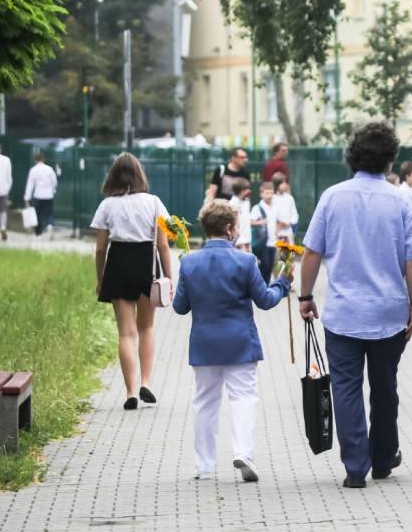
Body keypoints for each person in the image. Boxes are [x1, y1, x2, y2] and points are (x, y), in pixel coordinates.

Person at [298, 121, 412, 488]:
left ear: (352, 157)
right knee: (385, 387)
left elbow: (311, 252)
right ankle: (384, 457)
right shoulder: (401, 199)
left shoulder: (332, 197)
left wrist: (306, 296)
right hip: (390, 312)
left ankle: (356, 466)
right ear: (390, 160)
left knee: (346, 387)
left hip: (342, 313)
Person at [172, 199, 292, 482]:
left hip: (204, 343)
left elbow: (180, 307)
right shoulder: (245, 260)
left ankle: (203, 464)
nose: (238, 232)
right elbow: (264, 301)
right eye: (237, 227)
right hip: (240, 341)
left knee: (204, 402)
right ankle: (243, 452)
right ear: (228, 228)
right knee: (244, 397)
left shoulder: (189, 262)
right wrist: (282, 284)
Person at [91, 153, 175, 411]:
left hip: (118, 264)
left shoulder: (107, 205)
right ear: (140, 174)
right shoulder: (153, 202)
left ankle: (129, 391)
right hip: (146, 264)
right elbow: (162, 244)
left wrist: (100, 279)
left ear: (113, 176)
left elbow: (100, 249)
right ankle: (146, 382)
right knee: (146, 328)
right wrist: (169, 278)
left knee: (126, 333)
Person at [23, 152, 58, 238]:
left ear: (35, 160)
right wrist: (52, 190)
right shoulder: (49, 169)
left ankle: (38, 233)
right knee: (49, 212)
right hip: (48, 195)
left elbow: (30, 184)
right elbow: (54, 181)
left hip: (38, 195)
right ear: (43, 159)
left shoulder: (33, 170)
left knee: (37, 214)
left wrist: (27, 197)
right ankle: (50, 225)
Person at [250, 179, 277, 282]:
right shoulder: (257, 208)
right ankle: (261, 286)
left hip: (272, 241)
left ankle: (265, 288)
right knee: (264, 265)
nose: (269, 195)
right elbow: (251, 221)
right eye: (267, 193)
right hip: (263, 242)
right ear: (261, 194)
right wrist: (261, 222)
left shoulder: (275, 207)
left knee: (270, 266)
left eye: (271, 193)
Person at [272, 177, 299, 242]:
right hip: (275, 233)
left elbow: (295, 215)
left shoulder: (290, 198)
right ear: (276, 184)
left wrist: (288, 223)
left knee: (289, 252)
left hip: (288, 233)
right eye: (282, 183)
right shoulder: (272, 198)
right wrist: (279, 224)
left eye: (285, 183)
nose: (285, 185)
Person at [230, 177, 252, 251]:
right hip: (239, 241)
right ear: (242, 191)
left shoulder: (247, 202)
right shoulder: (232, 204)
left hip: (247, 240)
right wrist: (237, 240)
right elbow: (234, 223)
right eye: (247, 189)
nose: (249, 191)